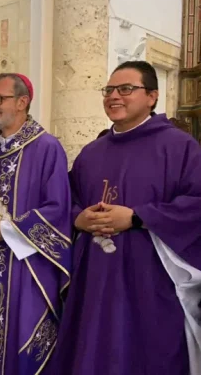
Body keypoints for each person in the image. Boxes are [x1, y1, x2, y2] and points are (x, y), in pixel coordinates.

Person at [51, 61, 201, 374]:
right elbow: (66, 199)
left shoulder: (179, 147)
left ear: (152, 96)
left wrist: (136, 217)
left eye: (126, 89)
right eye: (108, 90)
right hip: (95, 276)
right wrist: (79, 219)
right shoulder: (91, 153)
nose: (114, 96)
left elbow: (196, 203)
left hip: (150, 278)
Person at [0, 73, 72, 374]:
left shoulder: (46, 147)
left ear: (23, 101)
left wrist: (7, 230)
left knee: (23, 338)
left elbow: (58, 209)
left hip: (29, 267)